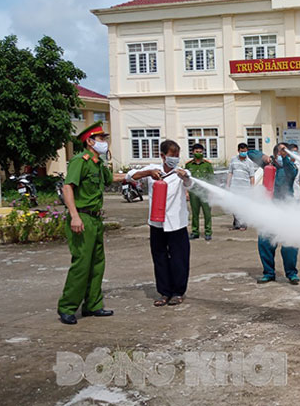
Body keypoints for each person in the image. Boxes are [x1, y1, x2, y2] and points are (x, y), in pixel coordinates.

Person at [57, 122, 126, 325]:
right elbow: (68, 187)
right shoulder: (81, 161)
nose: (104, 142)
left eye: (104, 139)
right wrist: (75, 215)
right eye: (101, 139)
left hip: (95, 218)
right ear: (90, 141)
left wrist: (140, 174)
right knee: (81, 264)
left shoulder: (98, 163)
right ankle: (67, 307)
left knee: (97, 263)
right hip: (82, 217)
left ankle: (93, 305)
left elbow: (111, 178)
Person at [127, 140, 193, 306]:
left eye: (177, 156)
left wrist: (184, 176)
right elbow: (131, 176)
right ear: (162, 156)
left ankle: (178, 292)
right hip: (157, 223)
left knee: (179, 258)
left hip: (177, 223)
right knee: (160, 258)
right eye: (172, 156)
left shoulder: (181, 173)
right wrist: (148, 173)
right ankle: (164, 292)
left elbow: (189, 183)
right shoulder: (153, 170)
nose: (175, 159)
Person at [247, 143, 300, 285]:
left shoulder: (291, 168)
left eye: (286, 151)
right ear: (275, 153)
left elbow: (291, 170)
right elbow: (250, 153)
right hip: (269, 209)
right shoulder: (268, 165)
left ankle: (292, 273)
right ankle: (269, 273)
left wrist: (286, 157)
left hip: (287, 210)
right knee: (265, 241)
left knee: (290, 243)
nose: (284, 153)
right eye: (281, 150)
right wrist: (263, 157)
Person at [185, 143, 214, 240]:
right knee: (195, 213)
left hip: (205, 192)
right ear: (193, 152)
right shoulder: (188, 165)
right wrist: (186, 192)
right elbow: (185, 179)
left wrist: (211, 192)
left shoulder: (207, 165)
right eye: (197, 152)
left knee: (207, 213)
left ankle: (208, 232)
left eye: (201, 152)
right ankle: (195, 231)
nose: (199, 153)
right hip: (193, 192)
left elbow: (211, 179)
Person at [226, 143, 257, 230]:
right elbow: (230, 173)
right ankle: (236, 224)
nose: (243, 153)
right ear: (238, 151)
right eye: (241, 151)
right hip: (234, 187)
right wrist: (228, 185)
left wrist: (252, 189)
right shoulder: (233, 160)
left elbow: (252, 176)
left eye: (245, 151)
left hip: (245, 188)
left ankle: (243, 224)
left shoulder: (250, 163)